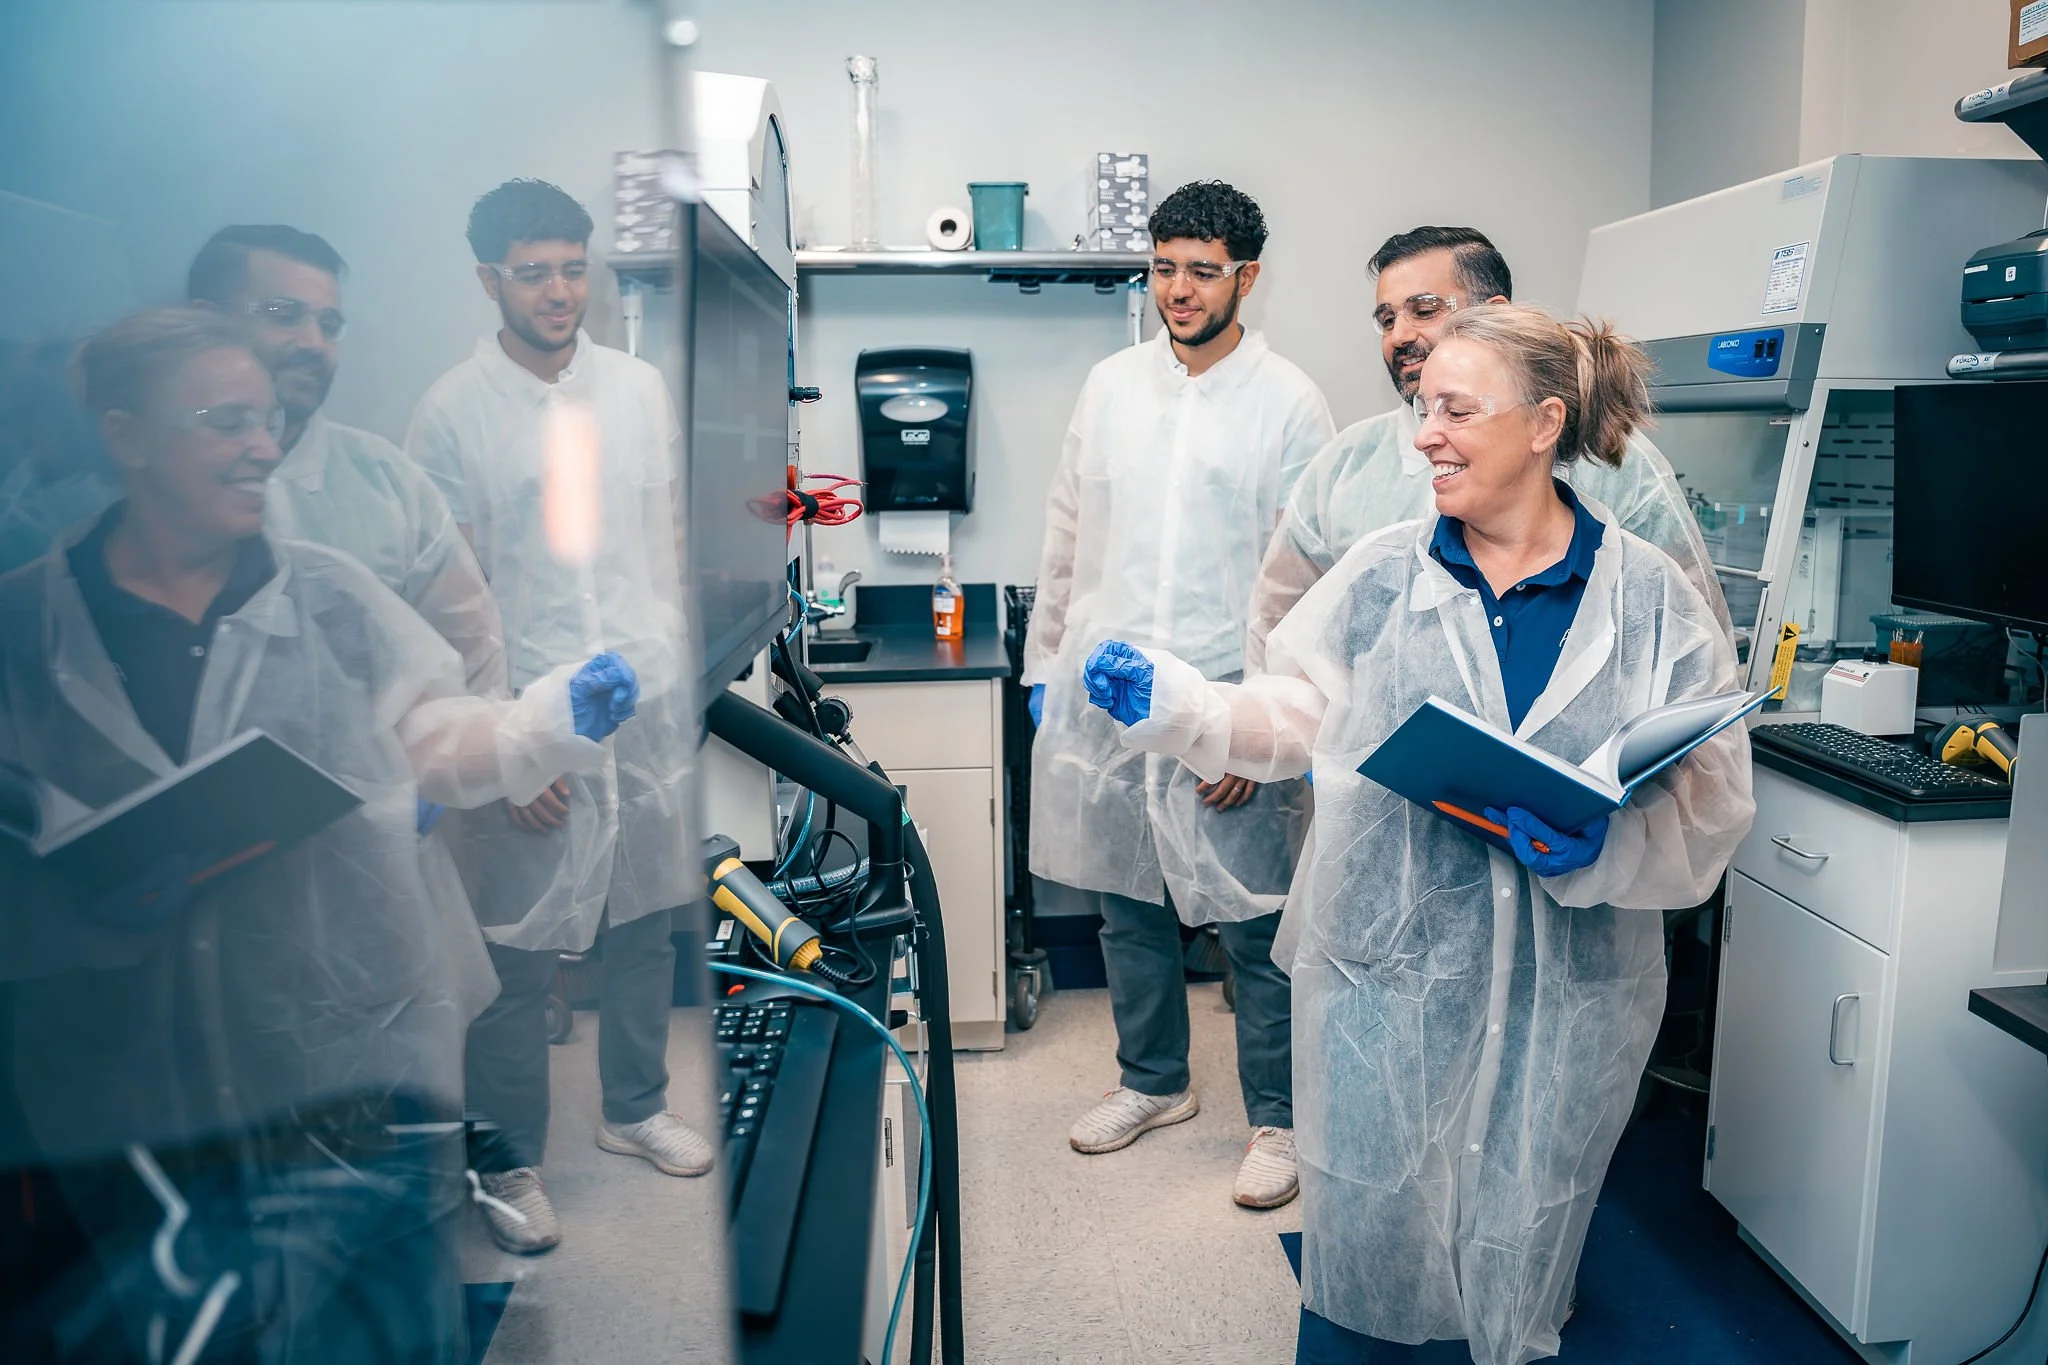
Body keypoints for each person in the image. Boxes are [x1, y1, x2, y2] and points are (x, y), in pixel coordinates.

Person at [1080, 305, 1755, 1364]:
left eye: (1453, 409)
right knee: (1371, 1261)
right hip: (1382, 985)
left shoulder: (1647, 598)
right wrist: (1184, 710)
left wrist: (1607, 847)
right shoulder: (1384, 575)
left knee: (1524, 1235)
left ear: (1542, 424)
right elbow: (1290, 716)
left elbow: (1710, 794)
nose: (1422, 435)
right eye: (1419, 408)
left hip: (1566, 1000)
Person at [0, 309, 640, 1361]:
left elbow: (435, 731)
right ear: (127, 436)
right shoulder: (25, 626)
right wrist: (63, 871)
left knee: (369, 1315)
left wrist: (536, 727)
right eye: (223, 420)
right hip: (126, 1084)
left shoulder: (330, 598)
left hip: (344, 1054)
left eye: (268, 419)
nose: (263, 442)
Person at [1020, 180, 1333, 1208]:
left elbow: (1303, 576)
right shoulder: (1110, 386)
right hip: (1107, 695)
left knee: (1252, 927)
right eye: (1163, 268)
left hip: (1226, 691)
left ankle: (1277, 1120)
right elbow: (1067, 534)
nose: (1178, 290)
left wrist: (1252, 730)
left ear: (1247, 274)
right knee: (1127, 906)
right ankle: (1151, 1082)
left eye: (1201, 270)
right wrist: (1041, 668)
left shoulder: (1289, 400)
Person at [406, 179, 704, 1254]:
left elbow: (662, 546)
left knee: (640, 922)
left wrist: (675, 688)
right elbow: (451, 601)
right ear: (489, 279)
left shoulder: (636, 390)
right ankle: (509, 1158)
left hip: (640, 705)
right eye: (534, 272)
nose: (559, 291)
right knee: (515, 958)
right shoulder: (450, 412)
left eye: (573, 267)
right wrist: (509, 750)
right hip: (524, 708)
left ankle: (634, 1110)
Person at [1247, 226, 1729, 676]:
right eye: (1387, 319)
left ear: (1495, 313)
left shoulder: (1613, 464)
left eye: (1425, 309)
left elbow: (1693, 646)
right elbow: (1277, 623)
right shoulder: (1345, 466)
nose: (1399, 335)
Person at [187, 224, 505, 692]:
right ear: (206, 324)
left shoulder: (386, 482)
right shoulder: (145, 478)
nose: (314, 342)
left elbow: (473, 659)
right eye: (284, 314)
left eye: (329, 325)